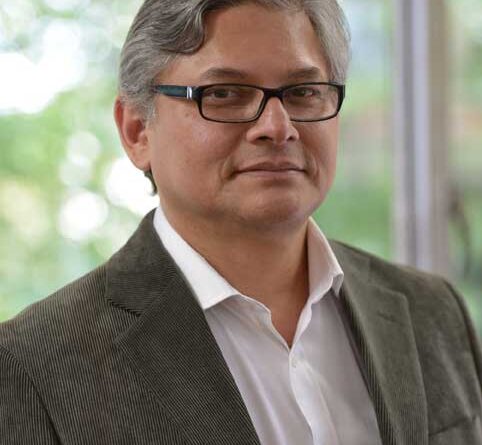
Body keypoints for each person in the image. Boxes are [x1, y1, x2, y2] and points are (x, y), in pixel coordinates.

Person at [1, 0, 481, 443]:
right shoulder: (33, 369)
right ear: (137, 130)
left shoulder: (433, 312)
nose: (277, 127)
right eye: (225, 94)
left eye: (303, 92)